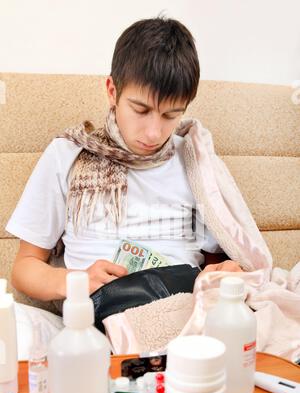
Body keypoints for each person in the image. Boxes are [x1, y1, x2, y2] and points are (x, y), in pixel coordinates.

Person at [6, 16, 242, 306]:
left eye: (171, 115)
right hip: (104, 309)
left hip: (187, 305)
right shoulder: (66, 154)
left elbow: (220, 257)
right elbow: (25, 267)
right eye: (140, 110)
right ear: (112, 91)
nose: (154, 133)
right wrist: (77, 281)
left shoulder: (195, 161)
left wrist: (223, 271)